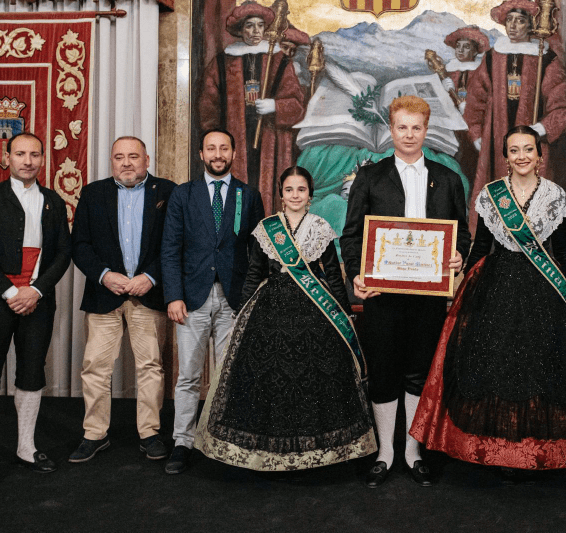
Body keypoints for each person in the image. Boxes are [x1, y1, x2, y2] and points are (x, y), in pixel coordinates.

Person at [410, 125, 566, 473]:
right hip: (495, 289)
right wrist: (460, 286)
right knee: (496, 367)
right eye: (514, 150)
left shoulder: (554, 195)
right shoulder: (492, 195)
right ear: (506, 157)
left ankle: (534, 452)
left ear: (539, 155)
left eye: (528, 149)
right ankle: (500, 454)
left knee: (539, 369)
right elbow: (480, 248)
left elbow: (563, 253)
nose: (522, 156)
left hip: (542, 292)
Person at [195, 166, 376, 471]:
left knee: (315, 384)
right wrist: (241, 312)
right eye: (289, 190)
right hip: (270, 312)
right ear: (281, 194)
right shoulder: (267, 228)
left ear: (310, 194)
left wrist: (344, 312)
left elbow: (333, 275)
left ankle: (316, 452)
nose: (295, 195)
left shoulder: (320, 227)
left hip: (315, 313)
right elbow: (254, 272)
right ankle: (268, 454)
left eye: (301, 190)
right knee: (269, 382)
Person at [341, 95, 471, 488]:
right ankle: (385, 452)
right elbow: (351, 236)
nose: (409, 134)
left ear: (426, 130)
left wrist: (458, 256)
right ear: (391, 129)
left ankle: (413, 452)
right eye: (402, 127)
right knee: (384, 371)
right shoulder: (370, 176)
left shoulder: (448, 178)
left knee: (419, 372)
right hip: (382, 295)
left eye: (416, 127)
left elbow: (462, 234)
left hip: (429, 296)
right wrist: (357, 275)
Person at [161, 128, 265, 474]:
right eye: (211, 148)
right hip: (191, 299)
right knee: (188, 377)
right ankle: (182, 442)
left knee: (227, 376)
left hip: (234, 299)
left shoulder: (248, 195)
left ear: (233, 153)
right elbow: (170, 248)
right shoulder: (183, 194)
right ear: (201, 154)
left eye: (224, 148)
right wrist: (174, 296)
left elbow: (258, 252)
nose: (217, 154)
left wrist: (251, 298)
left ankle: (223, 441)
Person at [68, 137, 175, 464]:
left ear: (147, 159)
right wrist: (103, 275)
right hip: (105, 295)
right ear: (111, 161)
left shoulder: (168, 192)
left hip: (148, 295)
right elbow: (80, 245)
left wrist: (151, 277)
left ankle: (150, 433)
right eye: (119, 157)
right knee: (95, 367)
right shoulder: (93, 193)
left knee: (150, 367)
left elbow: (175, 243)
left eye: (133, 156)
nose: (126, 162)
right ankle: (94, 434)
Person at [0, 132, 71, 487]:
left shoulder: (53, 201)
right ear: (7, 158)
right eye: (20, 154)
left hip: (38, 301)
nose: (27, 161)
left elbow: (63, 253)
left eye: (34, 154)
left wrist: (36, 291)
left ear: (43, 159)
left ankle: (26, 447)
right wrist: (10, 291)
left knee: (32, 372)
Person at [463, 0, 566, 234]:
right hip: (495, 140)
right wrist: (476, 134)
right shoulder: (492, 58)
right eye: (509, 20)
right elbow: (475, 100)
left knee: (534, 199)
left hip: (533, 143)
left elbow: (561, 106)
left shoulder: (546, 58)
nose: (513, 26)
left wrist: (541, 129)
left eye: (520, 20)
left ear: (531, 24)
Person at [198, 0, 306, 215]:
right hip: (235, 137)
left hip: (271, 139)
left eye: (260, 25)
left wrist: (275, 106)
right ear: (240, 29)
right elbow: (208, 106)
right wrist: (218, 137)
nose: (256, 31)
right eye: (249, 25)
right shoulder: (222, 62)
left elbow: (296, 106)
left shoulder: (279, 61)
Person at [439, 26, 490, 196]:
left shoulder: (481, 72)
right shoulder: (449, 71)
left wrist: (468, 106)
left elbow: (485, 98)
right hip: (452, 125)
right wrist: (443, 88)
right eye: (458, 46)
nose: (460, 50)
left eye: (466, 47)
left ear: (475, 51)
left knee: (471, 162)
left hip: (473, 127)